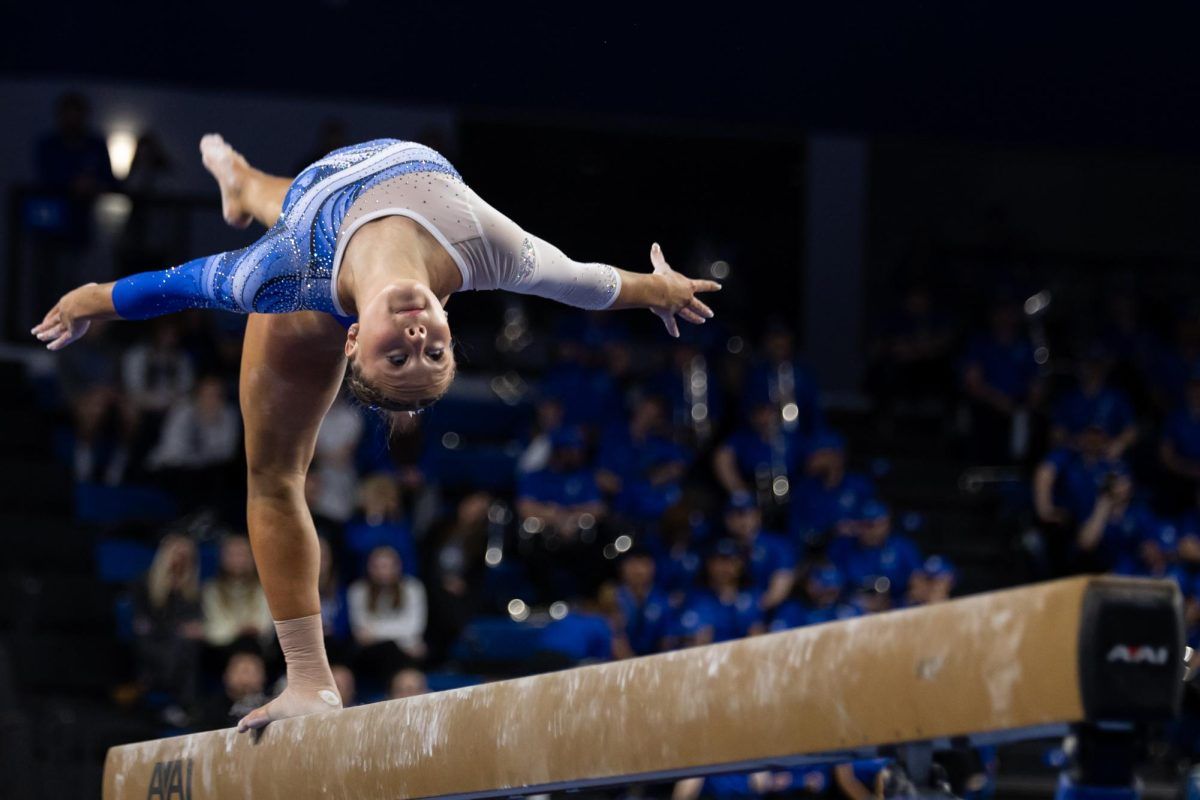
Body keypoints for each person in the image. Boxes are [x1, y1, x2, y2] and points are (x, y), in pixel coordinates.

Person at [36, 133, 719, 732]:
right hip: (325, 195)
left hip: (314, 265)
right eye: (434, 352)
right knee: (292, 204)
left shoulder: (278, 278)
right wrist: (657, 290)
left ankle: (308, 679)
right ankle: (242, 185)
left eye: (399, 356)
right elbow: (583, 281)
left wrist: (91, 298)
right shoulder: (485, 252)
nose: (419, 338)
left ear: (355, 340)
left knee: (272, 475)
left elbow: (171, 285)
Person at [131, 533, 205, 723]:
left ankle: (175, 702)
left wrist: (194, 628)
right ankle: (179, 702)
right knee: (177, 645)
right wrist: (175, 629)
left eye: (185, 556)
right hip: (153, 642)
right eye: (175, 554)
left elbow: (195, 621)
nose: (179, 560)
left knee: (185, 645)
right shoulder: (145, 583)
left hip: (179, 646)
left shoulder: (193, 590)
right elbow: (142, 623)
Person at [347, 545, 428, 683]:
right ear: (368, 567)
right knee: (391, 649)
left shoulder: (413, 588)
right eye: (377, 566)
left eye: (387, 566)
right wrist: (404, 639)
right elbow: (361, 631)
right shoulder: (358, 591)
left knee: (402, 651)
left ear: (398, 566)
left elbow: (414, 628)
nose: (383, 572)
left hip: (405, 654)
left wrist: (375, 632)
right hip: (373, 654)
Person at [722, 492, 795, 610]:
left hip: (771, 612)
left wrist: (750, 610)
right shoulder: (722, 548)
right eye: (734, 515)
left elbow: (779, 590)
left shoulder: (777, 545)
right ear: (727, 520)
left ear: (757, 515)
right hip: (731, 615)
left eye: (745, 513)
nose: (741, 520)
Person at [201, 534, 273, 653]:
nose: (237, 559)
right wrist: (239, 630)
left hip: (258, 650)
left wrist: (231, 630)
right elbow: (214, 630)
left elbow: (263, 627)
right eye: (232, 554)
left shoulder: (264, 589)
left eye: (242, 554)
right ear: (222, 558)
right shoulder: (211, 590)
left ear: (252, 557)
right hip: (220, 652)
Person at [197, 650, 269, 731]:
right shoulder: (212, 709)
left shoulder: (270, 704)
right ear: (226, 676)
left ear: (264, 677)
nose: (246, 679)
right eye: (243, 672)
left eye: (253, 673)